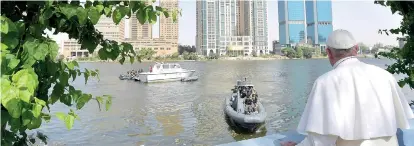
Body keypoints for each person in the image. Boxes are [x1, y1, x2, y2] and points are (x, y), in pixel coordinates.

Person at [281, 29, 414, 146]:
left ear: (328, 52)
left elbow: (321, 139)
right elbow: (401, 119)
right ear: (356, 49)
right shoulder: (386, 76)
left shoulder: (325, 82)